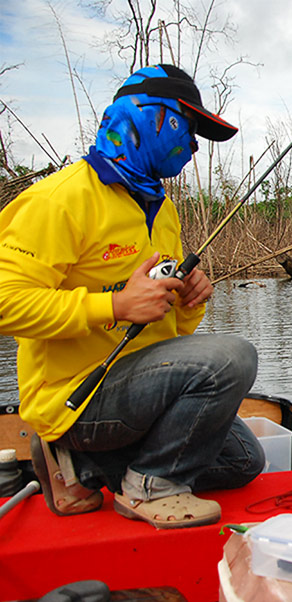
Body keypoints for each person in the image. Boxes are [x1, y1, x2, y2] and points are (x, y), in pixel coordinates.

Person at [0, 64, 264, 529]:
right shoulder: (58, 200)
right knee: (232, 357)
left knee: (244, 460)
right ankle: (150, 487)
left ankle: (79, 469)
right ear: (147, 117)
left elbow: (171, 330)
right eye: (189, 127)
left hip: (139, 392)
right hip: (75, 398)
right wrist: (114, 306)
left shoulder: (163, 211)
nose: (195, 146)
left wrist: (190, 303)